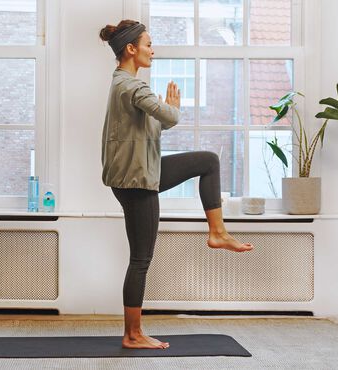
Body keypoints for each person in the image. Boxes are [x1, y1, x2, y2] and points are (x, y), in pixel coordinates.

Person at [99, 20, 254, 350]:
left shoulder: (125, 85)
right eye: (148, 44)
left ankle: (217, 233)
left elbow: (153, 130)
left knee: (207, 161)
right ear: (131, 49)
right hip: (137, 181)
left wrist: (167, 111)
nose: (152, 50)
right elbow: (169, 118)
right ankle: (132, 335)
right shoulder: (131, 87)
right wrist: (173, 107)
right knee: (141, 259)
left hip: (141, 174)